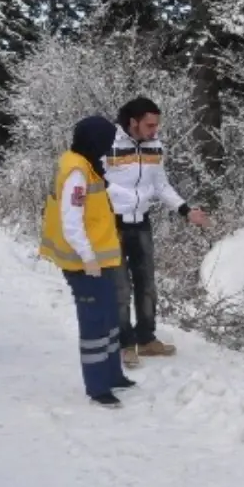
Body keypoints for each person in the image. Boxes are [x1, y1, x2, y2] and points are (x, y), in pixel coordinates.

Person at [104, 97, 209, 368]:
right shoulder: (107, 143)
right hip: (111, 224)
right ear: (133, 122)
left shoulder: (155, 146)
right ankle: (125, 343)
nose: (155, 130)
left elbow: (161, 185)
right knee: (120, 287)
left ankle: (146, 339)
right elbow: (94, 180)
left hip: (141, 222)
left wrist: (186, 210)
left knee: (147, 284)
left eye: (156, 125)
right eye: (149, 125)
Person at [39, 116, 135, 407]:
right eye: (107, 141)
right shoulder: (77, 173)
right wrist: (89, 258)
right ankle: (97, 387)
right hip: (86, 263)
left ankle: (112, 374)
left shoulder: (87, 164)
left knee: (108, 318)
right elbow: (71, 222)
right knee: (94, 323)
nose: (109, 147)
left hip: (100, 259)